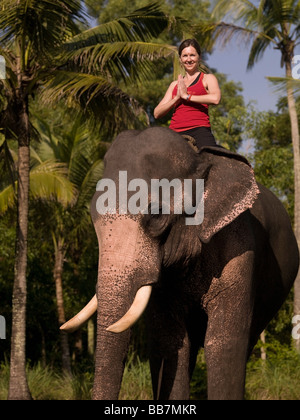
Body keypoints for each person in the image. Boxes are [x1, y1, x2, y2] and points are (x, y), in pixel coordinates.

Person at [154, 39, 221, 149]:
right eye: (185, 56)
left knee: (212, 160)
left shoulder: (208, 78)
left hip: (200, 130)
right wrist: (176, 98)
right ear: (180, 59)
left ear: (199, 57)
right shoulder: (174, 85)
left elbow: (215, 98)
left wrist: (187, 96)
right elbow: (157, 113)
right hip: (174, 132)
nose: (189, 59)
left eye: (192, 55)